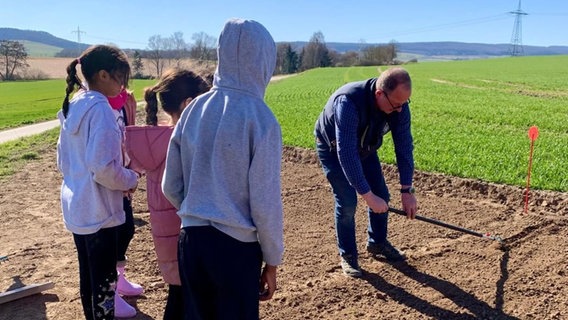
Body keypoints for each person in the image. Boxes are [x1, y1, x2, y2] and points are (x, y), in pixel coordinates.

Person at [162, 18, 284, 320]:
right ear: (265, 60)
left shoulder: (193, 109)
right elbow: (265, 202)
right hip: (236, 249)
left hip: (191, 242)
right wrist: (272, 260)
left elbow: (170, 185)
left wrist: (198, 210)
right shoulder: (262, 119)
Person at [56, 44, 140, 320]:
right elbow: (103, 169)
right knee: (104, 286)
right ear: (103, 75)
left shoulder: (74, 105)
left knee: (89, 281)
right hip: (101, 213)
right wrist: (131, 178)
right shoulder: (102, 110)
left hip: (78, 208)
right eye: (121, 78)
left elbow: (62, 162)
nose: (123, 86)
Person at [314, 67, 418, 278]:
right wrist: (367, 196)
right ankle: (348, 255)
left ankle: (377, 243)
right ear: (380, 94)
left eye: (404, 104)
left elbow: (404, 146)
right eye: (396, 104)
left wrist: (407, 189)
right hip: (333, 149)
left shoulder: (399, 106)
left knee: (383, 195)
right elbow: (347, 154)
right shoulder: (349, 103)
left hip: (366, 147)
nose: (400, 109)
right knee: (348, 202)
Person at [124, 68, 211, 320]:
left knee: (178, 294)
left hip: (165, 235)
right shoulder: (182, 141)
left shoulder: (154, 140)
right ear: (188, 104)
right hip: (185, 232)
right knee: (188, 300)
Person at [107, 87, 144, 318]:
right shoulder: (99, 110)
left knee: (127, 230)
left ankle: (119, 280)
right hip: (109, 183)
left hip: (122, 178)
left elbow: (125, 137)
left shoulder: (121, 104)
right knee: (113, 236)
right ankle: (111, 293)